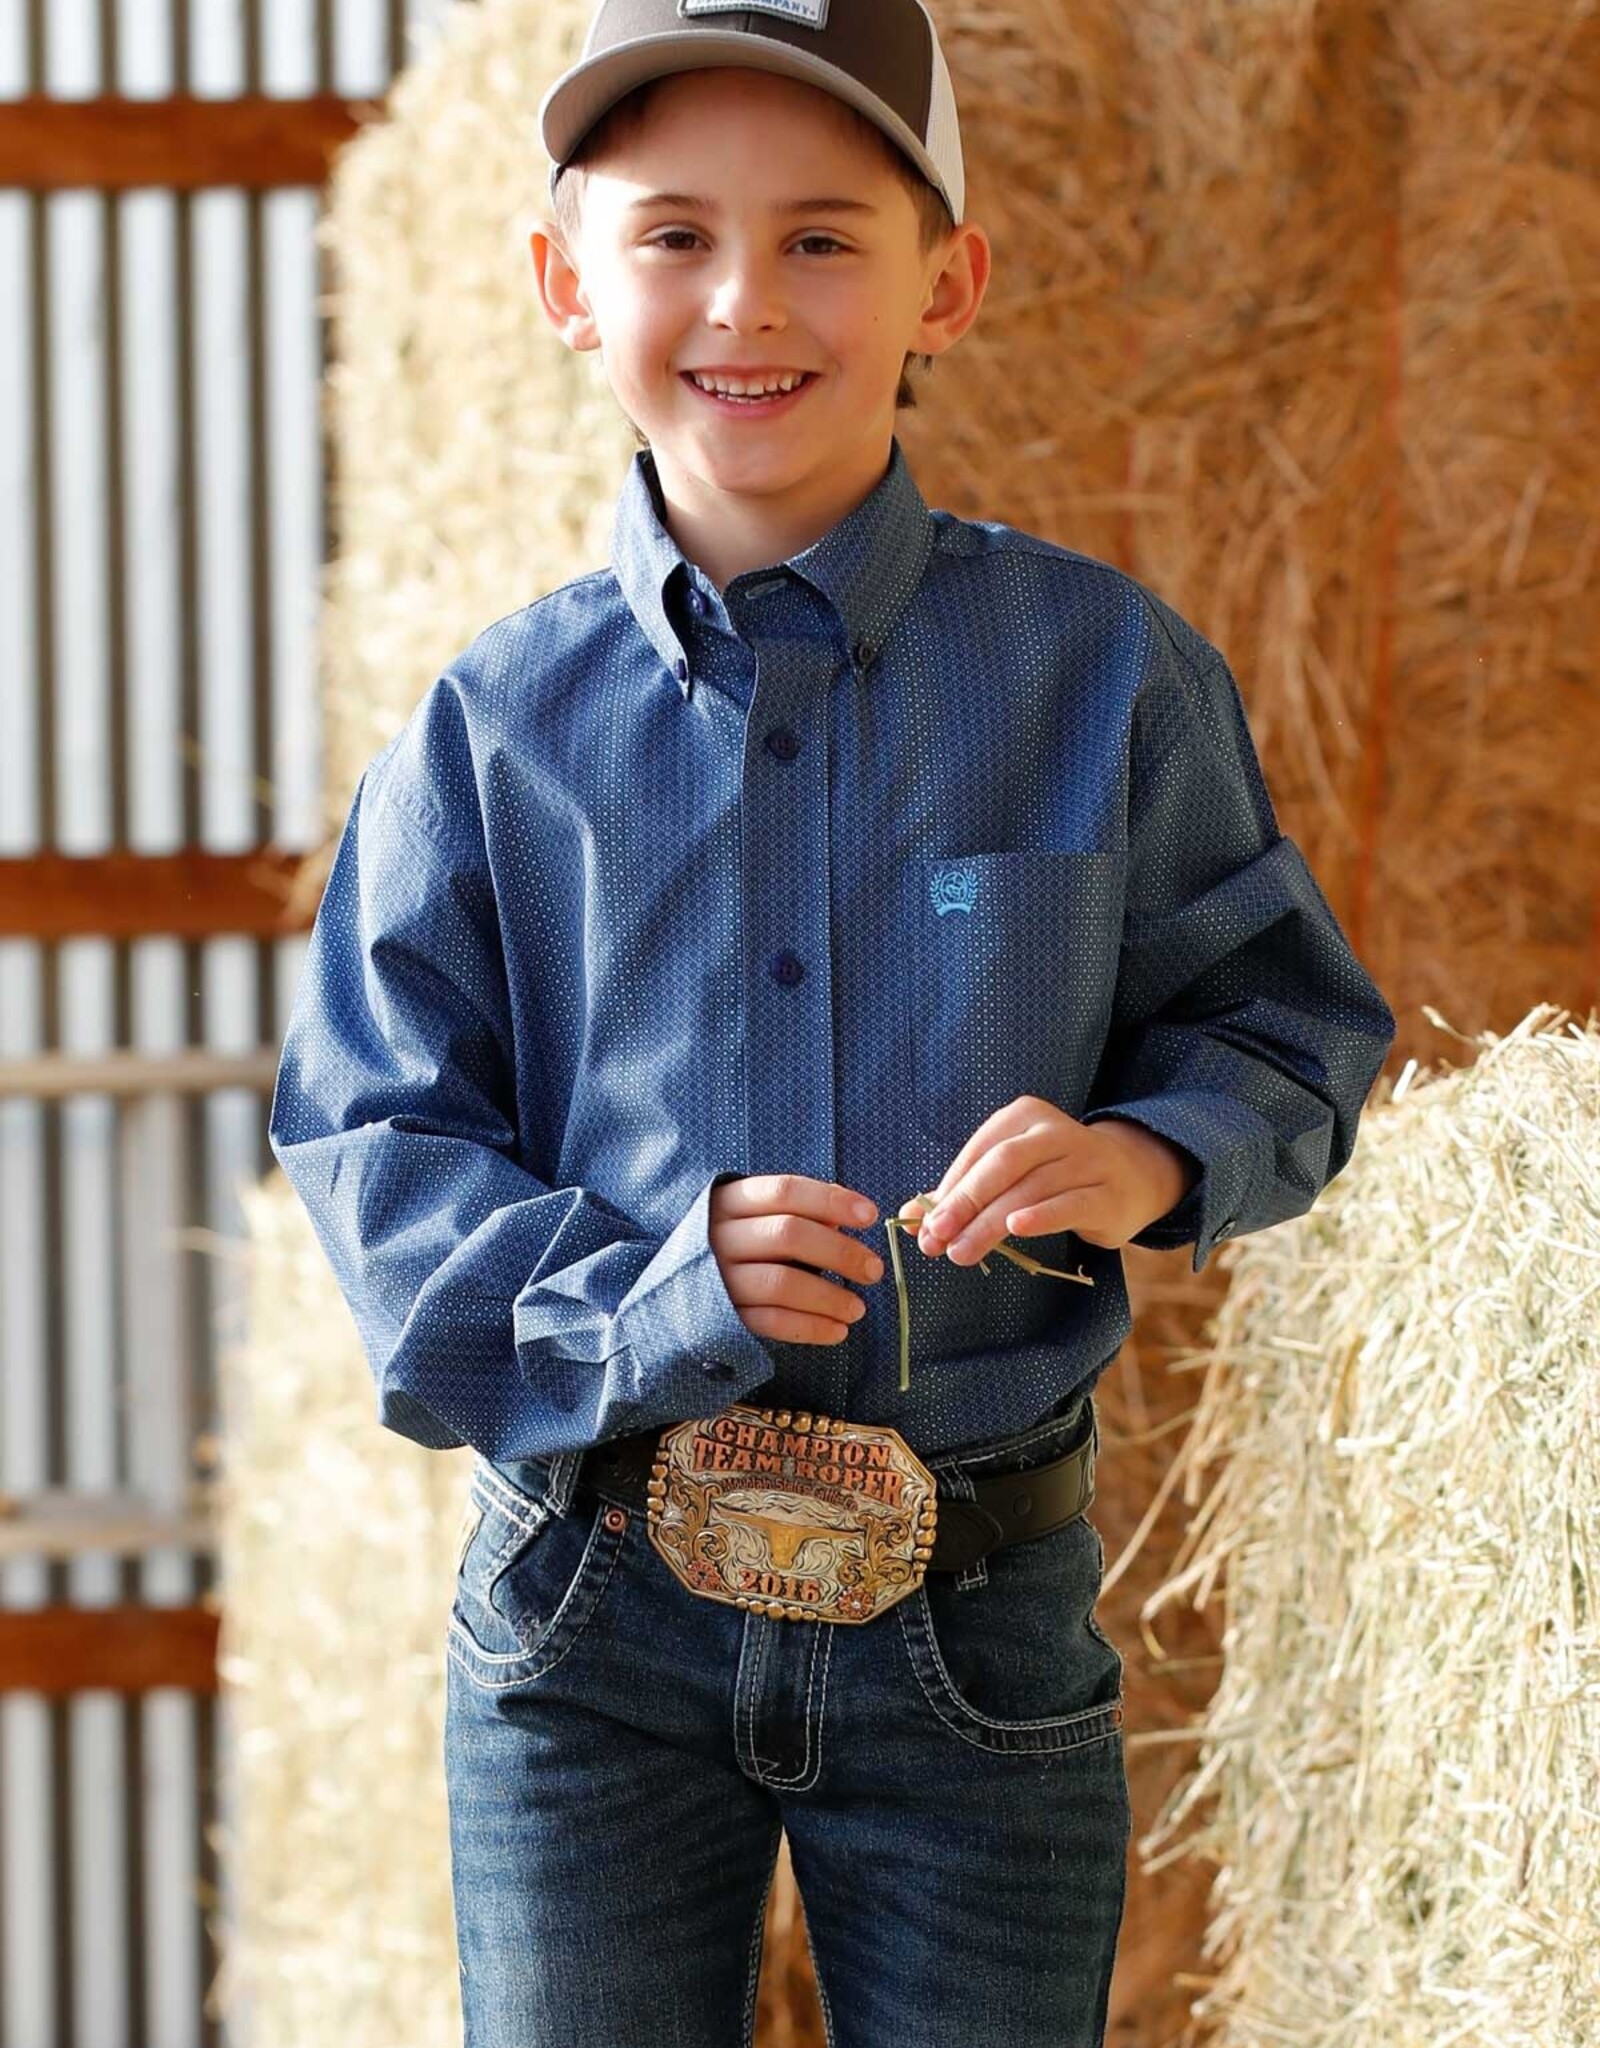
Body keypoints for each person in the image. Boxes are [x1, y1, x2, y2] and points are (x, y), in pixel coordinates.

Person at [267, 2, 1397, 2042]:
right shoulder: (487, 733)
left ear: (946, 283)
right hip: (588, 1627)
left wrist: (1142, 1155)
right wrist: (654, 1299)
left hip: (974, 1609)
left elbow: (1288, 1029)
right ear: (561, 283)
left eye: (819, 237)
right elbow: (378, 1151)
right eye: (672, 236)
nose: (744, 301)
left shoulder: (1104, 676)